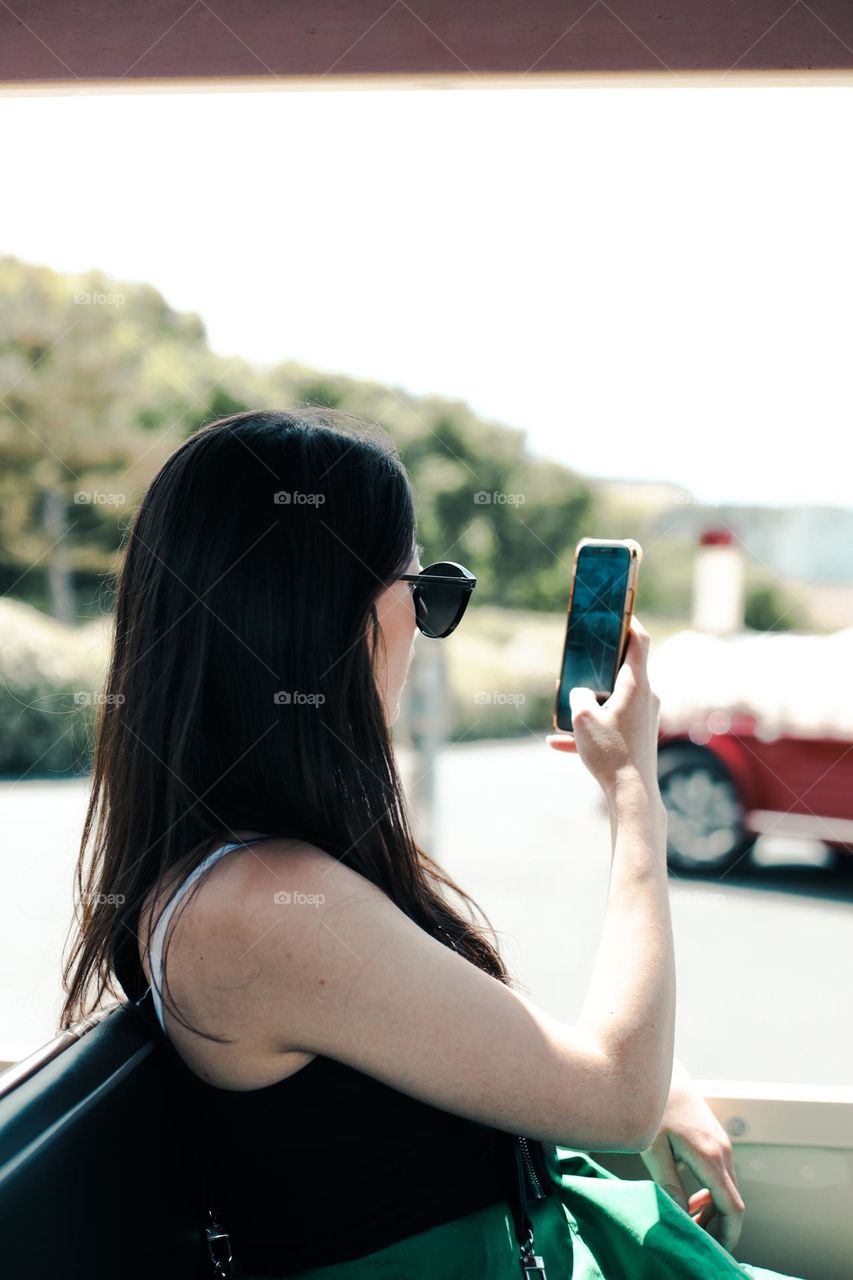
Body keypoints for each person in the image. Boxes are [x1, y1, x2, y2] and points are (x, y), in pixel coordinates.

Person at [61, 408, 807, 1279]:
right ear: (325, 609)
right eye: (423, 593)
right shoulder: (257, 909)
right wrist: (636, 796)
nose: (422, 626)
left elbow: (523, 1070)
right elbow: (615, 1101)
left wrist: (626, 1082)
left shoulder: (254, 878)